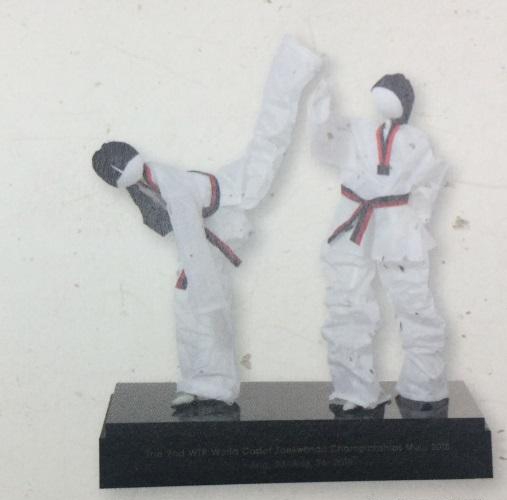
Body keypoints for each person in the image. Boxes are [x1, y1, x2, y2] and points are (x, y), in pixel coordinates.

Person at [92, 36, 322, 407]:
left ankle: (295, 62)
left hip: (238, 194)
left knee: (271, 135)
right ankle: (200, 381)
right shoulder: (148, 181)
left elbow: (191, 242)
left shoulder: (170, 187)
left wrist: (206, 291)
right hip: (218, 214)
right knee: (189, 300)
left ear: (117, 175)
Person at [309, 73, 448, 411]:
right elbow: (327, 146)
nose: (381, 100)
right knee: (347, 298)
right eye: (379, 93)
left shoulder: (416, 140)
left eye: (390, 95)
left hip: (397, 222)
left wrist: (418, 217)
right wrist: (321, 112)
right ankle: (353, 388)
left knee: (413, 299)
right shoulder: (358, 129)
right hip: (354, 217)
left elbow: (430, 181)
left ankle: (422, 385)